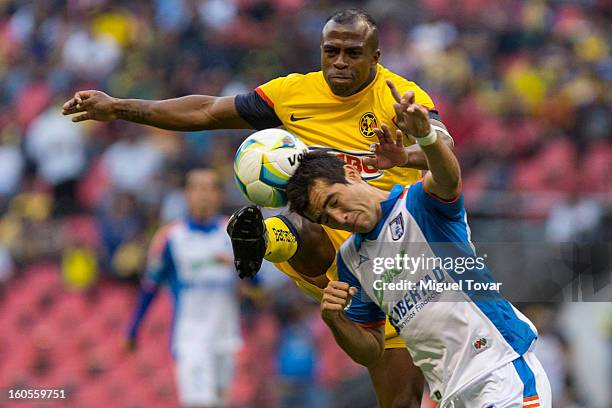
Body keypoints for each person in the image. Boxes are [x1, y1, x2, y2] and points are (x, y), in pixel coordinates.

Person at [63, 9, 454, 405]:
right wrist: (120, 107)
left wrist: (408, 149)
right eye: (330, 51)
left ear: (376, 56)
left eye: (352, 53)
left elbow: (446, 150)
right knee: (304, 212)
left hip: (398, 259)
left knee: (403, 400)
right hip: (331, 257)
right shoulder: (292, 94)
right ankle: (264, 239)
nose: (339, 61)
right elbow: (207, 111)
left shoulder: (400, 96)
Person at [284, 90, 552, 407]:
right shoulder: (351, 260)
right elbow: (370, 349)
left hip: (499, 372)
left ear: (351, 173)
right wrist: (334, 319)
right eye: (325, 217)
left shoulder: (417, 203)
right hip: (448, 394)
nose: (339, 217)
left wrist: (424, 135)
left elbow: (449, 176)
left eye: (334, 201)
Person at [126, 168, 243, 408]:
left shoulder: (234, 234)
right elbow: (150, 287)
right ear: (186, 194)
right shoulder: (171, 237)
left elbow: (257, 288)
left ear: (220, 195)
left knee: (220, 402)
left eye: (210, 188)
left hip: (226, 336)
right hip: (191, 338)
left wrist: (237, 267)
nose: (204, 195)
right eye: (197, 188)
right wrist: (133, 329)